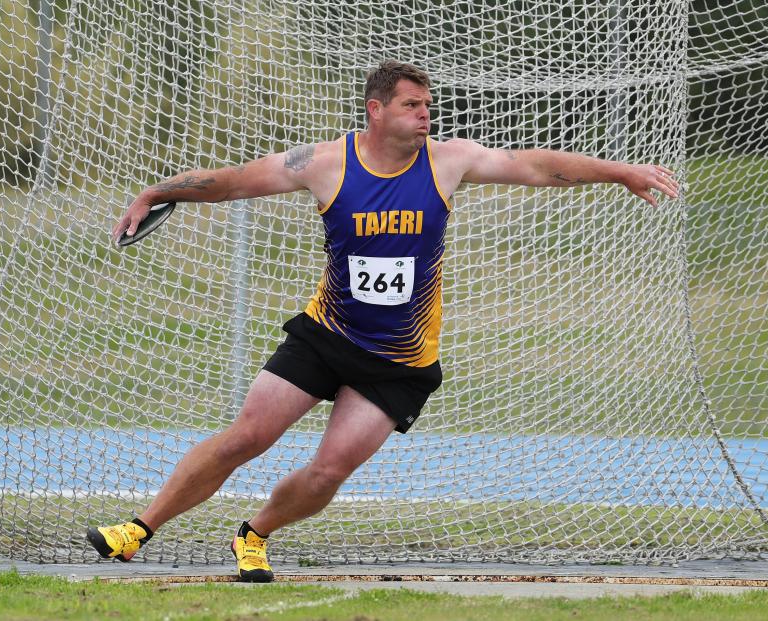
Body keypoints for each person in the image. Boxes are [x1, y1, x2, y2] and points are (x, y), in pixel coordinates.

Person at [87, 61, 679, 582]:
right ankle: (137, 530)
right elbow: (236, 181)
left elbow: (535, 166)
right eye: (411, 105)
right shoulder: (324, 163)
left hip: (399, 359)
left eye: (427, 105)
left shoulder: (448, 161)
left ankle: (255, 534)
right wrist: (156, 191)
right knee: (247, 437)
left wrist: (619, 171)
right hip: (327, 334)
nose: (425, 115)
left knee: (327, 472)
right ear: (376, 110)